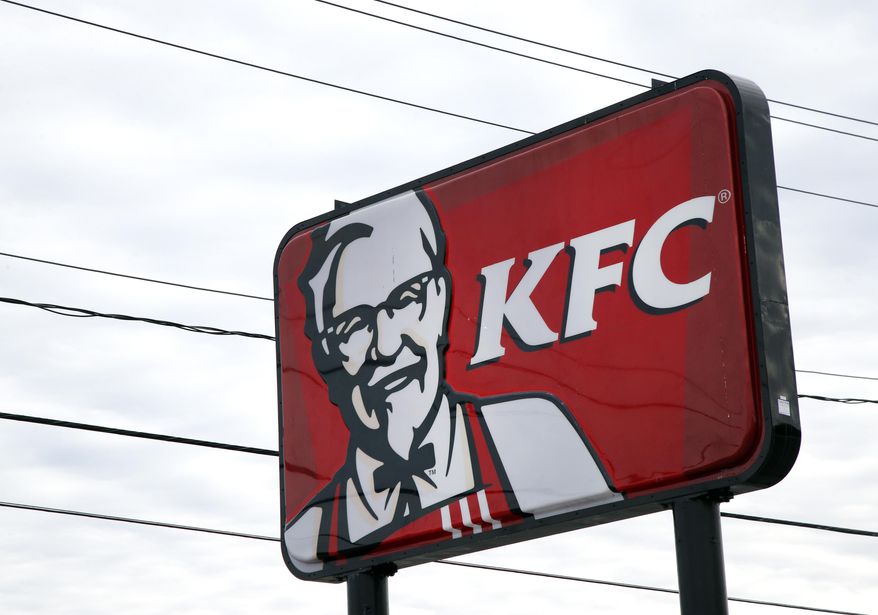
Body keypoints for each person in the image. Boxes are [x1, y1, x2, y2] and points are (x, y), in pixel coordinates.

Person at [283, 190, 621, 575]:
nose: (388, 344)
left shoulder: (533, 436)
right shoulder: (310, 538)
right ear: (326, 356)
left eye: (406, 299)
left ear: (440, 300)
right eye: (354, 325)